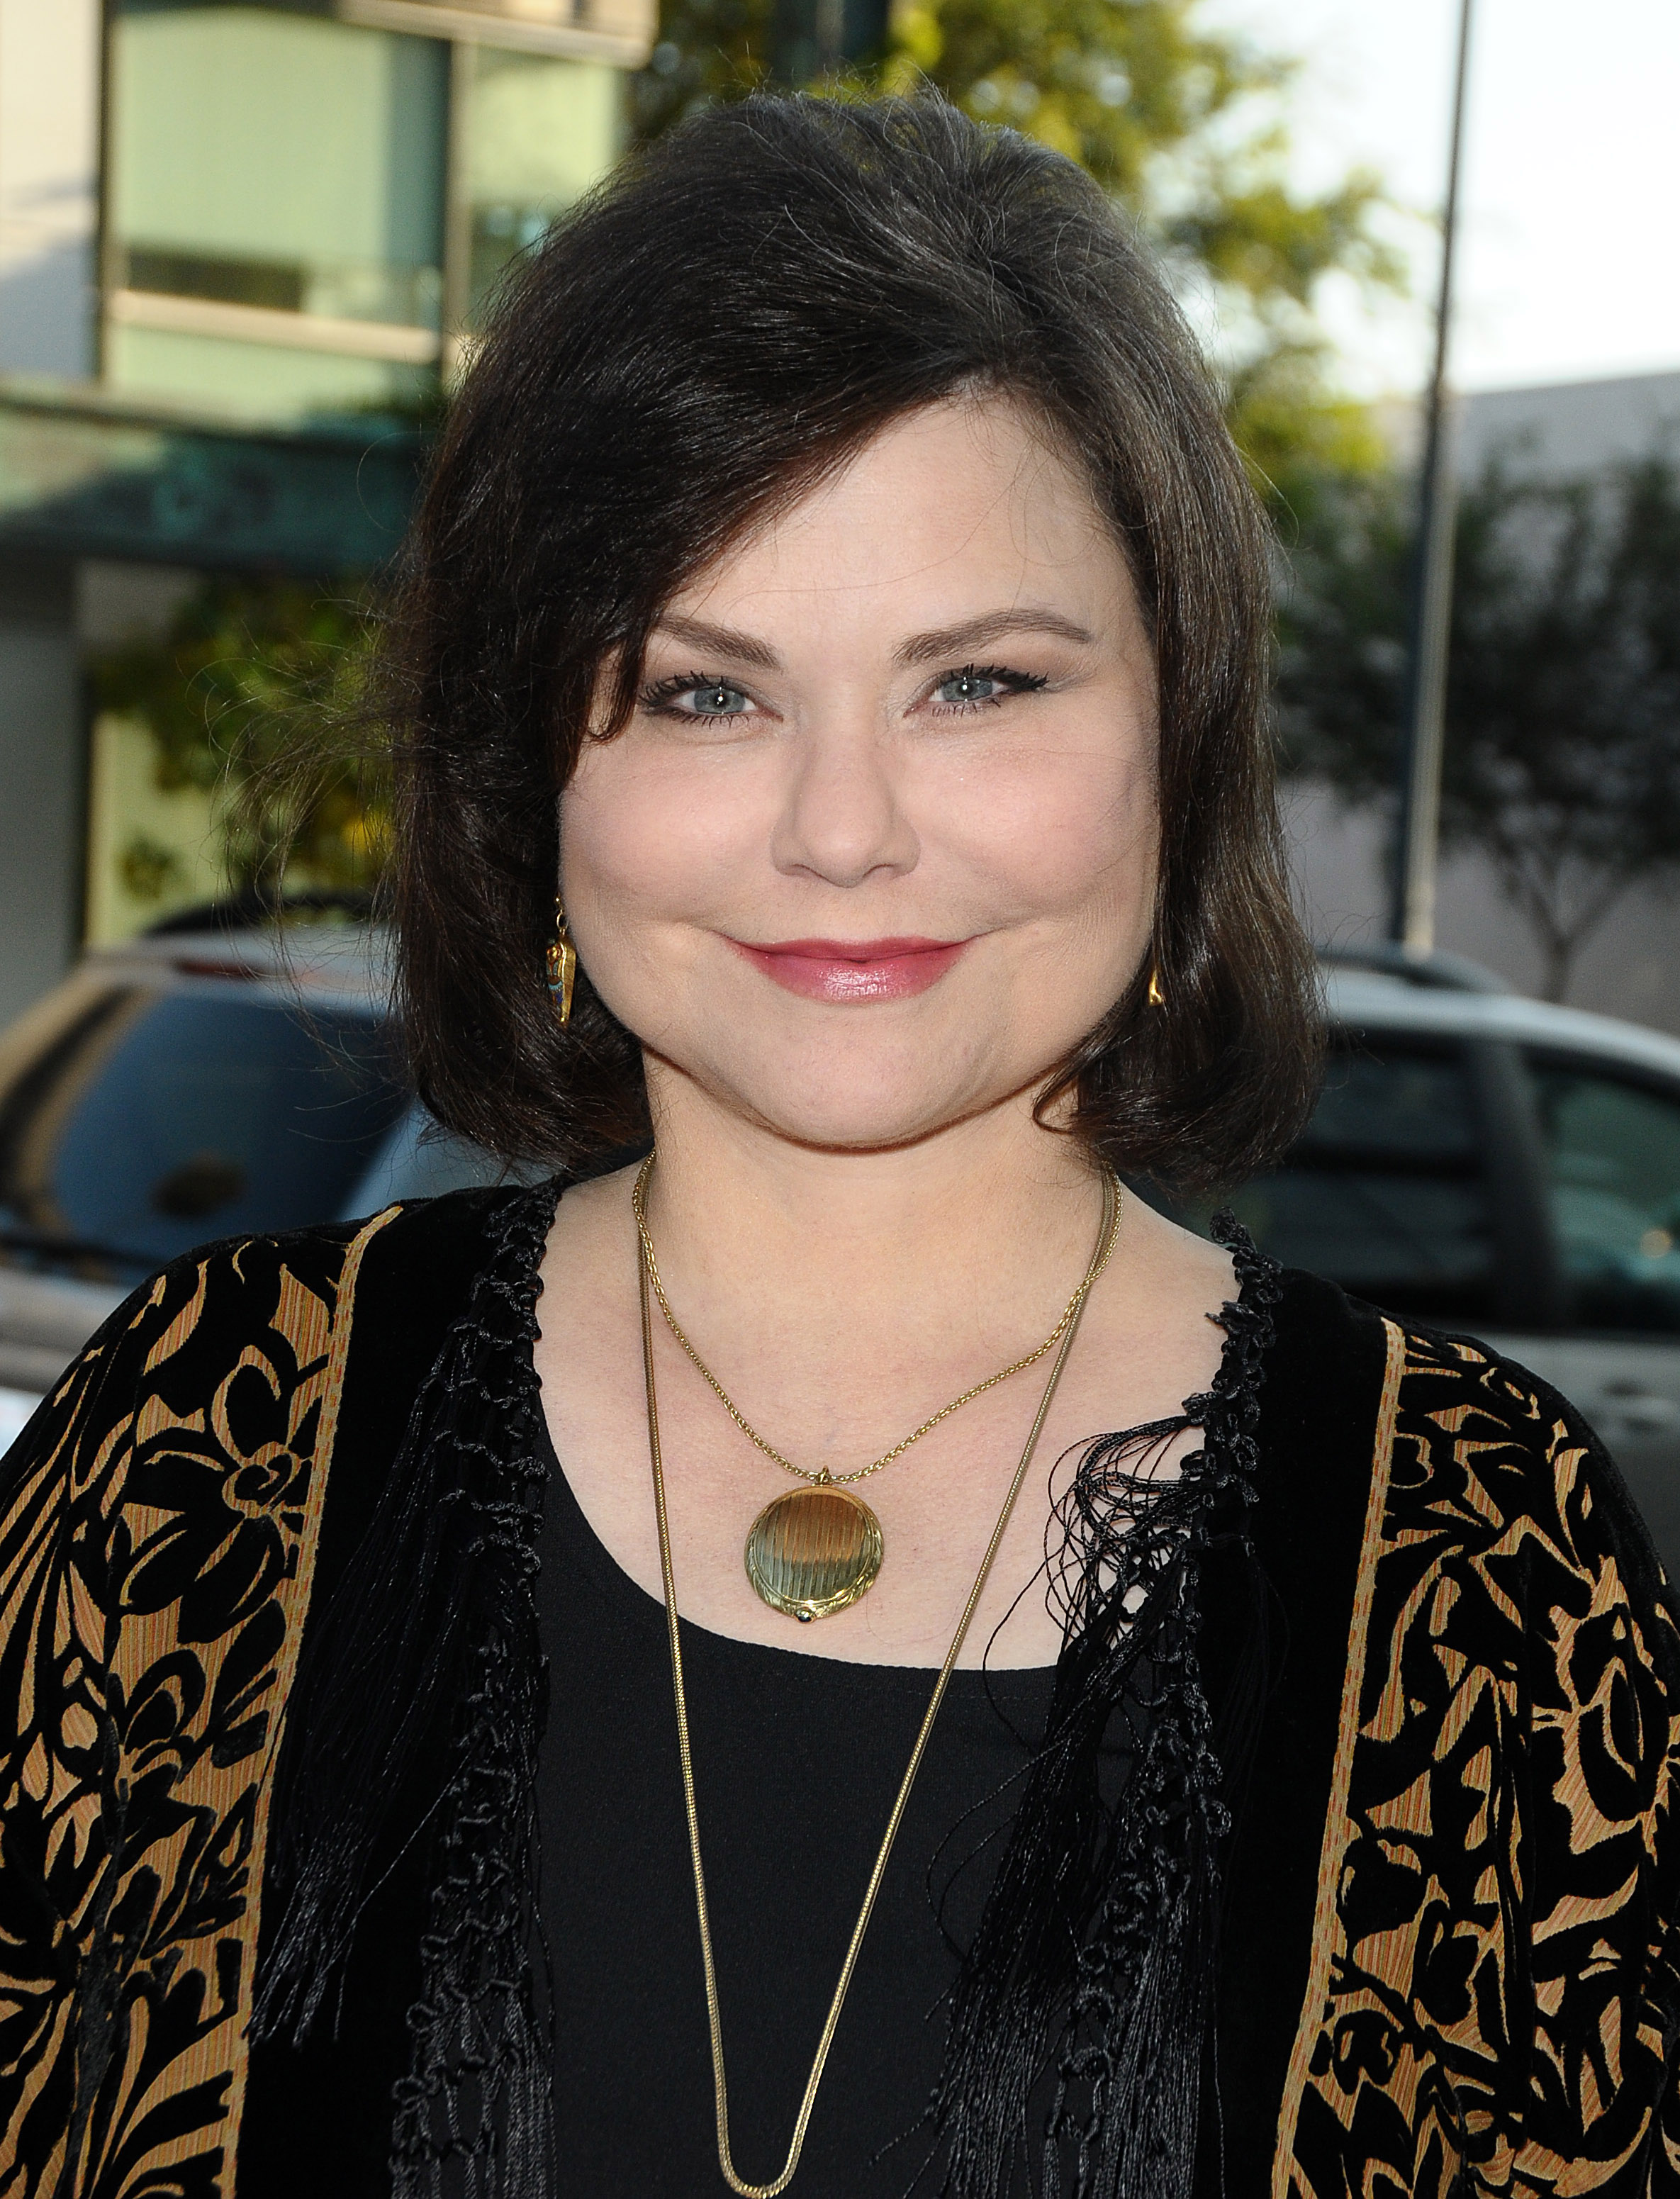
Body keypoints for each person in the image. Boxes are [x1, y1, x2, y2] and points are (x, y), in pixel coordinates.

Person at [2, 93, 1676, 2199]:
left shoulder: (1471, 1547)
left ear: (1179, 729)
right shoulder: (202, 1438)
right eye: (705, 694)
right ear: (532, 763)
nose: (843, 829)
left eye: (976, 682)